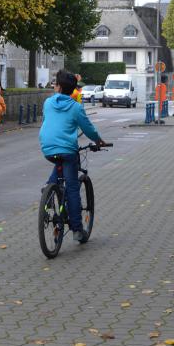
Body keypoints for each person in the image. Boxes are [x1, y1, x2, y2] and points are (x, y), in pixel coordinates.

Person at [39, 71, 106, 244]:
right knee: (72, 188)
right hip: (67, 150)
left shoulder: (48, 102)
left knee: (59, 162)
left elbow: (48, 121)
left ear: (59, 87)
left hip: (47, 147)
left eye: (55, 84)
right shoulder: (76, 107)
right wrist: (98, 141)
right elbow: (88, 129)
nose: (54, 86)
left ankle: (49, 186)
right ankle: (77, 230)